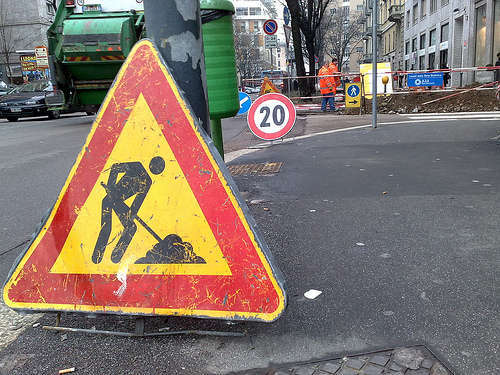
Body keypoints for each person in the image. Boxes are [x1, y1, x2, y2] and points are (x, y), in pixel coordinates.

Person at [92, 156, 165, 264]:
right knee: (107, 227)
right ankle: (97, 255)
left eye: (159, 167)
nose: (156, 168)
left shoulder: (147, 182)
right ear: (151, 163)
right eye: (156, 165)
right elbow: (115, 168)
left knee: (131, 227)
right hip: (109, 200)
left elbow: (137, 203)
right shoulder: (137, 166)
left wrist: (131, 214)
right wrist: (111, 188)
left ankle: (116, 255)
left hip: (118, 203)